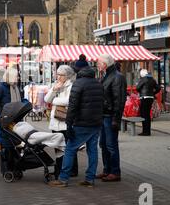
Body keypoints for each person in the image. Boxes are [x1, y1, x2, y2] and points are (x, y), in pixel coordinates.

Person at [48, 60, 104, 188]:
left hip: (82, 123)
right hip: (96, 123)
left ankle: (63, 179)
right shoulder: (98, 84)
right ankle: (90, 179)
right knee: (92, 150)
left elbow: (72, 106)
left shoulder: (78, 84)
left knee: (69, 149)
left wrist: (69, 124)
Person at [96, 54, 126, 182]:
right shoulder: (106, 76)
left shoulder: (117, 77)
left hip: (110, 116)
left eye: (98, 63)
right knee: (103, 144)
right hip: (104, 115)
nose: (97, 65)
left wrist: (116, 119)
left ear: (104, 64)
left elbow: (119, 100)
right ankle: (107, 169)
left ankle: (115, 171)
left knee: (111, 145)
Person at [44, 65, 78, 179]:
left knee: (67, 147)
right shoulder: (55, 85)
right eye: (57, 74)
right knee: (58, 146)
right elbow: (46, 99)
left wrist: (55, 101)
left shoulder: (71, 85)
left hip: (65, 121)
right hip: (55, 121)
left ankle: (70, 170)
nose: (58, 77)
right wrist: (54, 90)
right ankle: (59, 169)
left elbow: (69, 101)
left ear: (67, 75)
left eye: (61, 75)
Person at [0, 65, 22, 149]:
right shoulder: (1, 88)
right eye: (16, 76)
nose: (18, 78)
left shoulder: (15, 87)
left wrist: (26, 103)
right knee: (7, 146)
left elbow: (20, 100)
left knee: (15, 144)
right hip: (5, 121)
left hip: (16, 120)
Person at [136, 69, 161, 136]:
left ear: (142, 74)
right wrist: (153, 93)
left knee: (143, 114)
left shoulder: (143, 79)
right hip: (150, 98)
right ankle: (148, 131)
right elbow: (158, 88)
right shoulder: (152, 79)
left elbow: (137, 88)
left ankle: (145, 131)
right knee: (147, 115)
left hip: (144, 98)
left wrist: (141, 91)